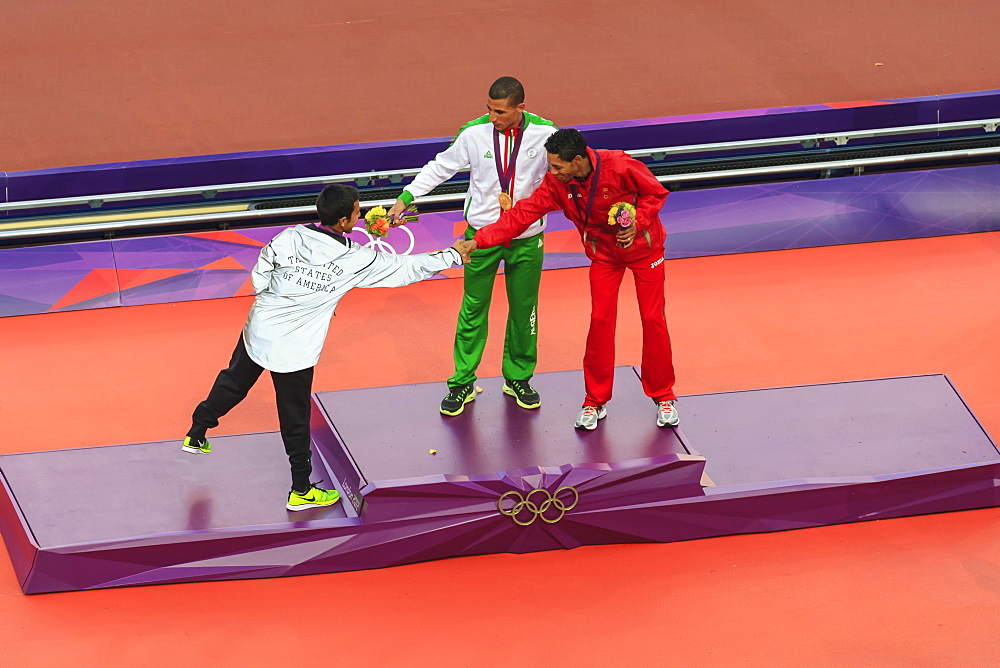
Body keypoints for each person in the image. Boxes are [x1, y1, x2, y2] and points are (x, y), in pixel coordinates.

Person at [183, 184, 465, 510]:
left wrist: (279, 294)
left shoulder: (289, 236)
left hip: (258, 329)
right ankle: (301, 490)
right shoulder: (355, 259)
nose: (360, 218)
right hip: (295, 349)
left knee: (234, 382)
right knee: (295, 418)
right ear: (344, 221)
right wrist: (453, 254)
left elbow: (261, 274)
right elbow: (404, 269)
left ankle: (197, 431)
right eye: (357, 214)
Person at [456, 128, 679, 431]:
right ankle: (595, 400)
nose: (552, 171)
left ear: (577, 161)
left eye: (558, 166)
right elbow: (521, 215)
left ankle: (663, 395)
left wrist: (638, 221)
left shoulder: (621, 165)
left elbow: (656, 192)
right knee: (600, 320)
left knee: (653, 319)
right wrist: (480, 240)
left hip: (644, 250)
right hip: (604, 256)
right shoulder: (557, 184)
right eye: (551, 165)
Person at [387, 76, 557, 416]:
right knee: (473, 309)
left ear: (520, 109)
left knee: (525, 311)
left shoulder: (546, 133)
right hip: (480, 237)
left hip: (526, 237)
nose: (493, 117)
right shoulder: (473, 133)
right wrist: (405, 199)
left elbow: (561, 177)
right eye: (489, 110)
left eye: (501, 112)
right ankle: (462, 381)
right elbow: (440, 168)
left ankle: (519, 377)